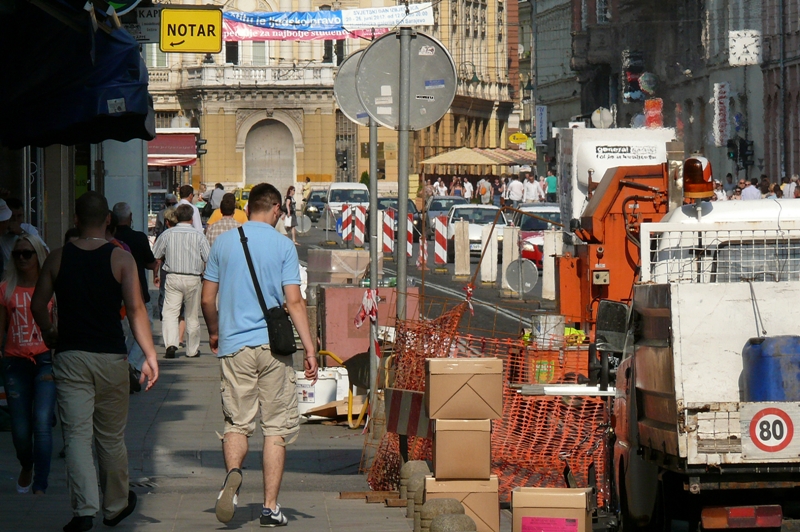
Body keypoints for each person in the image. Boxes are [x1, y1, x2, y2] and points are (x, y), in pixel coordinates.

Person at [31, 191, 159, 532]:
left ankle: (84, 509)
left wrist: (49, 333)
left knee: (76, 436)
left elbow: (37, 304)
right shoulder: (121, 259)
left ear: (75, 220)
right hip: (110, 357)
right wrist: (149, 355)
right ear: (108, 220)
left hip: (70, 356)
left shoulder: (57, 258)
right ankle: (115, 506)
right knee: (111, 437)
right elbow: (136, 309)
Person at [200, 183, 317, 527]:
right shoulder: (283, 246)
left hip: (234, 345)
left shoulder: (223, 243)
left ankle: (233, 476)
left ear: (248, 207)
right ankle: (270, 508)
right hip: (273, 348)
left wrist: (214, 332)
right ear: (277, 209)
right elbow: (294, 301)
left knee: (237, 423)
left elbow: (207, 299)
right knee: (276, 428)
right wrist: (310, 349)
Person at [1, 234, 55, 495]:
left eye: (27, 253)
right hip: (15, 363)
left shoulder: (51, 289)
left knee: (42, 422)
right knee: (20, 430)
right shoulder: (5, 289)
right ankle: (27, 464)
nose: (21, 258)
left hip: (45, 361)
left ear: (38, 256)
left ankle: (41, 482)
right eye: (17, 254)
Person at [152, 204, 210, 359]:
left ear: (176, 217)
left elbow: (156, 255)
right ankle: (192, 350)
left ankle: (171, 344)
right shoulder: (199, 236)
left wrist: (156, 273)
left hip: (173, 276)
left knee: (170, 312)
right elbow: (208, 257)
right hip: (193, 277)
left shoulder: (167, 234)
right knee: (192, 315)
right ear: (191, 218)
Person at [112, 202, 158, 386]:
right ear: (130, 217)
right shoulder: (139, 238)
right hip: (138, 291)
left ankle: (123, 367)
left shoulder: (111, 239)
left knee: (122, 333)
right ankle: (129, 365)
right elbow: (150, 263)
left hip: (116, 295)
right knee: (143, 328)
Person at [1, 198, 41, 264]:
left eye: (19, 216)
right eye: (12, 216)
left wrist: (21, 233)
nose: (15, 220)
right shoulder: (2, 231)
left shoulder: (28, 228)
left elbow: (44, 251)